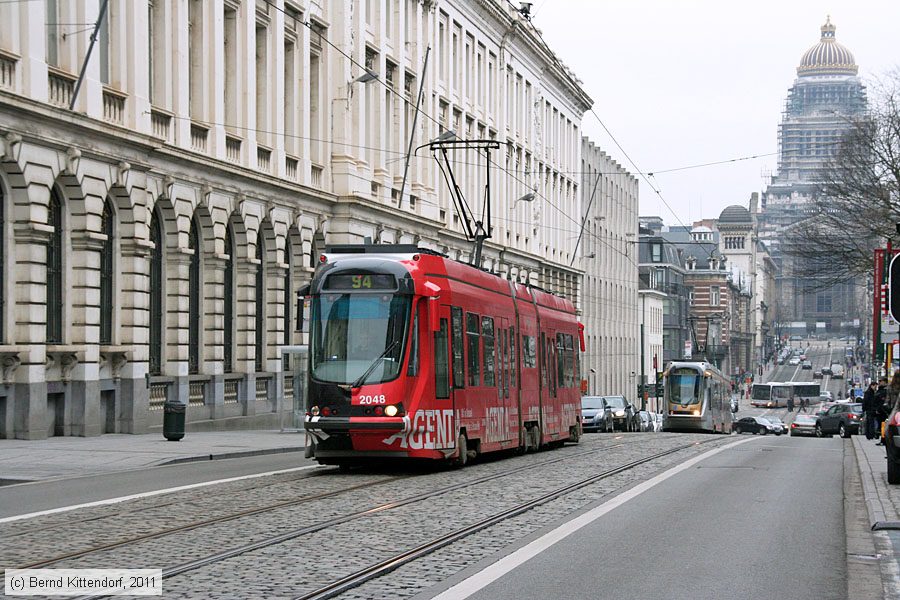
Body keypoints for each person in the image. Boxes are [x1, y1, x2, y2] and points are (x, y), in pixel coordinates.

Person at [875, 377, 890, 445]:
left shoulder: (886, 390)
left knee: (883, 426)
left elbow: (883, 402)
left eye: (881, 381)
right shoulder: (879, 390)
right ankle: (882, 440)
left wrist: (880, 409)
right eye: (879, 381)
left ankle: (884, 440)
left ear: (885, 382)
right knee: (881, 427)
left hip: (884, 412)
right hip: (879, 411)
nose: (879, 382)